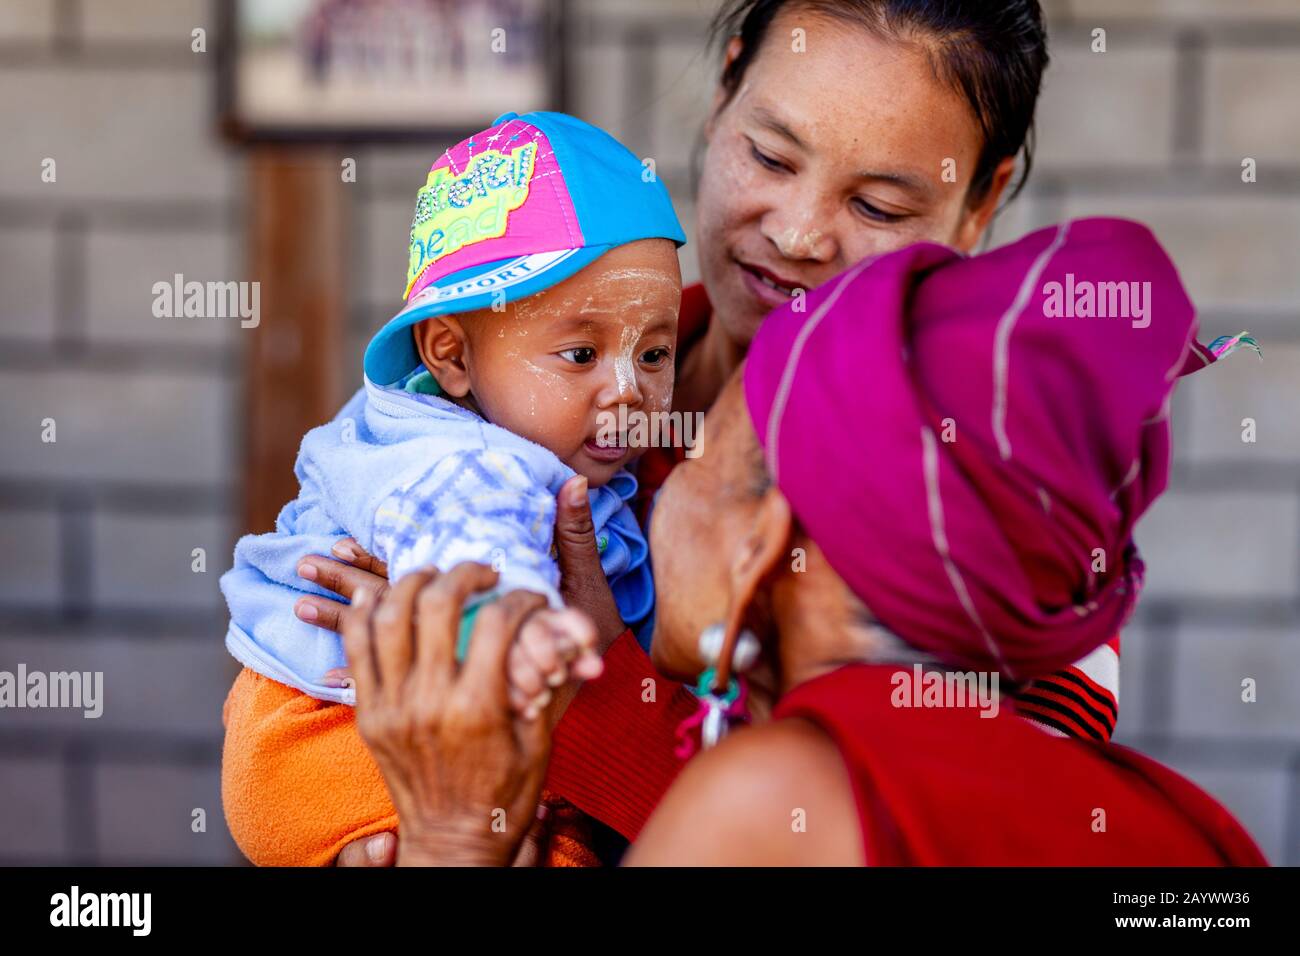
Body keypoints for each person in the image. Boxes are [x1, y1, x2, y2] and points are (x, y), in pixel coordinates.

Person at [221, 0, 1155, 865]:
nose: (796, 234)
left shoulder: (999, 488)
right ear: (724, 96)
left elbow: (942, 842)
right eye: (774, 158)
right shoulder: (491, 419)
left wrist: (591, 702)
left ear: (981, 200)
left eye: (877, 206)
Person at [339, 217, 1267, 866]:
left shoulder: (770, 800)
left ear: (762, 544)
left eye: (696, 461)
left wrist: (454, 838)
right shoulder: (1190, 830)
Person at [219, 111, 686, 863]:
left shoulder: (513, 430)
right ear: (452, 357)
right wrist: (521, 633)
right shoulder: (465, 463)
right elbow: (477, 552)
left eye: (656, 352)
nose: (629, 390)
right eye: (580, 353)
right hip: (330, 739)